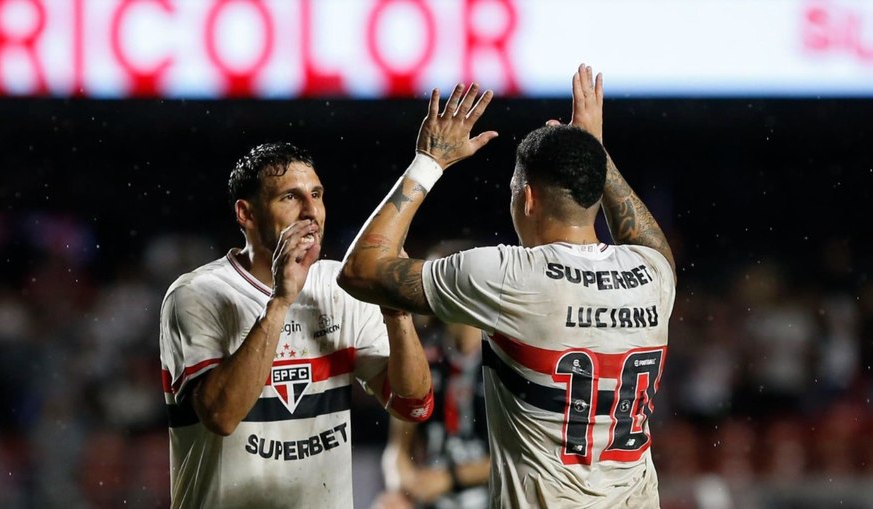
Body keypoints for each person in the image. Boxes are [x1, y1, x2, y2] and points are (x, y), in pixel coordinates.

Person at [338, 63, 677, 508]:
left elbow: (360, 270)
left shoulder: (509, 276)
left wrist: (430, 162)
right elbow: (652, 244)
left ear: (528, 197)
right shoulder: (652, 276)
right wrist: (592, 153)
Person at [158, 142, 434, 509]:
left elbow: (413, 406)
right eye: (290, 197)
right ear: (246, 214)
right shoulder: (196, 295)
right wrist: (280, 302)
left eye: (316, 194)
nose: (311, 212)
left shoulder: (341, 287)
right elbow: (221, 416)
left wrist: (397, 314)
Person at [374, 241, 491, 509]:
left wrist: (450, 478)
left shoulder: (502, 356)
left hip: (489, 495)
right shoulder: (423, 356)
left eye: (440, 280)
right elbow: (397, 450)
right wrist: (402, 488)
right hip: (431, 496)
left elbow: (519, 457)